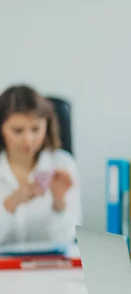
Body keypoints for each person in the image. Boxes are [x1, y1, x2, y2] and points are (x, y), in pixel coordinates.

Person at [0, 85, 81, 245]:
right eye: (17, 131)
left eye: (36, 129)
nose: (28, 140)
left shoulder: (62, 164)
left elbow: (68, 239)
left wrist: (59, 202)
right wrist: (11, 204)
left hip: (49, 267)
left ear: (47, 126)